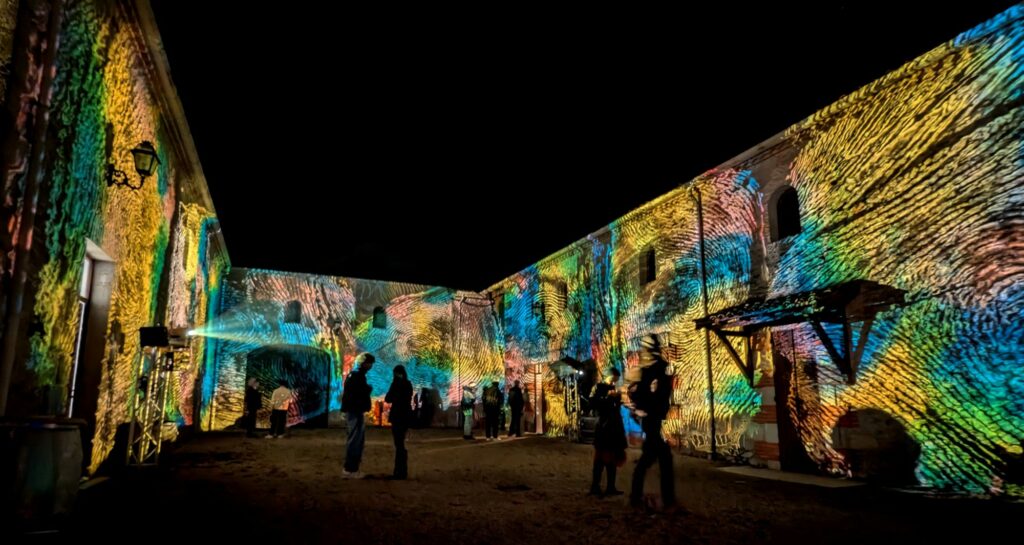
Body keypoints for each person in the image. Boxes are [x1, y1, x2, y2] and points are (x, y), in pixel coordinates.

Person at [629, 334, 677, 510]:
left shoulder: (653, 370)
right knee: (659, 458)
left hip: (652, 419)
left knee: (651, 459)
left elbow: (652, 393)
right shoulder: (653, 370)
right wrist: (644, 407)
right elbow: (648, 394)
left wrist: (641, 406)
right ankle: (666, 499)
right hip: (652, 420)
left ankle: (638, 497)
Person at [589, 367, 627, 496]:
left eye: (615, 381)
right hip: (604, 427)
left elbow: (615, 407)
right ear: (607, 376)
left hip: (613, 427)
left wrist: (617, 399)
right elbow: (594, 404)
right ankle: (595, 486)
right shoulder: (599, 388)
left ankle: (610, 487)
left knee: (612, 458)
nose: (613, 383)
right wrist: (608, 398)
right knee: (600, 458)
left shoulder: (612, 388)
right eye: (613, 379)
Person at [341, 352, 374, 478]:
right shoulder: (357, 376)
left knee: (355, 439)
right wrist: (367, 389)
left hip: (353, 411)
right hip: (355, 411)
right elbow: (356, 393)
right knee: (355, 440)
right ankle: (350, 469)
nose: (370, 366)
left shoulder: (353, 375)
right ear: (364, 363)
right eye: (369, 363)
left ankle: (351, 469)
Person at [385, 365, 413, 479]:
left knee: (399, 444)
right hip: (405, 415)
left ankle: (399, 471)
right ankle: (402, 471)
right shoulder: (408, 384)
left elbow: (388, 398)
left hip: (397, 415)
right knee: (401, 443)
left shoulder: (396, 384)